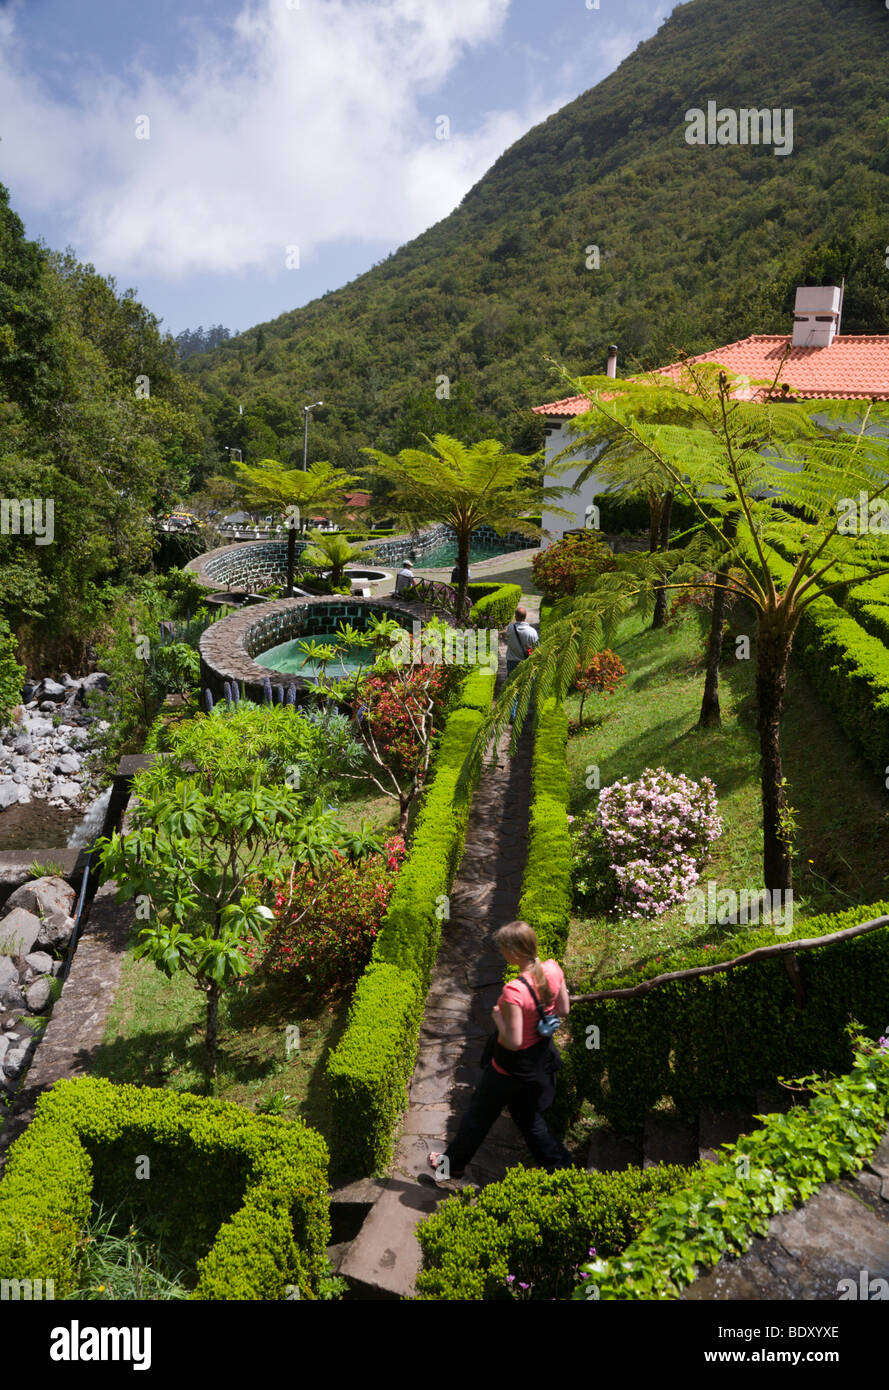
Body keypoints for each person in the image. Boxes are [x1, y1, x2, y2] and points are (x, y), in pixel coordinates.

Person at [422, 921, 572, 1189]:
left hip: (507, 1071)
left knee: (477, 1119)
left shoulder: (514, 991)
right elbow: (563, 1009)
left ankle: (451, 1166)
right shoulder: (553, 968)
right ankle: (561, 1170)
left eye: (503, 948)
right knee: (530, 1121)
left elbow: (512, 1041)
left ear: (514, 953)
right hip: (538, 1062)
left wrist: (496, 1017)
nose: (502, 953)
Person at [503, 606, 539, 720]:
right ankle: (520, 713)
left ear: (516, 616)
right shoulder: (532, 632)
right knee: (524, 689)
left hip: (512, 663)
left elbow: (505, 636)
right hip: (525, 663)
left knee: (513, 688)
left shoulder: (510, 629)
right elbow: (537, 649)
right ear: (525, 617)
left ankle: (512, 714)